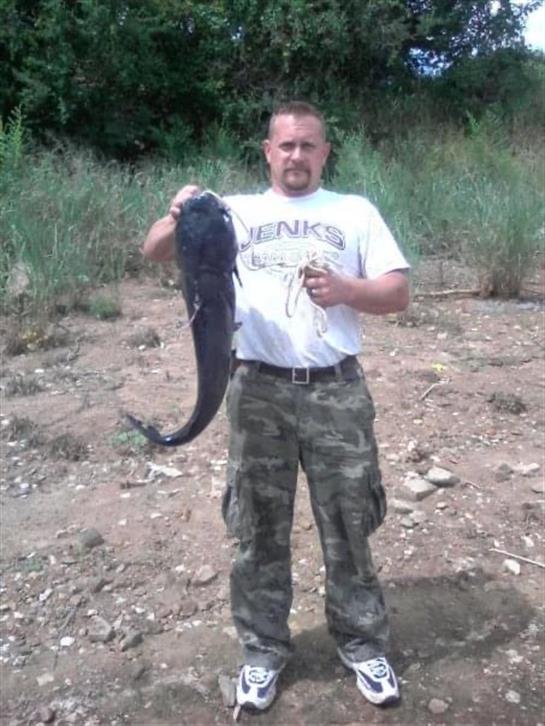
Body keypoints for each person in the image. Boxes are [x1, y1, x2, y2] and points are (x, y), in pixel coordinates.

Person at [142, 101, 410, 712]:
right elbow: (155, 249)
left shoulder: (354, 212)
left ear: (324, 152)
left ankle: (363, 644)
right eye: (285, 145)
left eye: (308, 145)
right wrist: (177, 210)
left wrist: (348, 290)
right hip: (256, 388)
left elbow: (398, 291)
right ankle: (262, 651)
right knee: (258, 528)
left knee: (349, 524)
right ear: (268, 151)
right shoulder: (230, 210)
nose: (296, 156)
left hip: (336, 390)